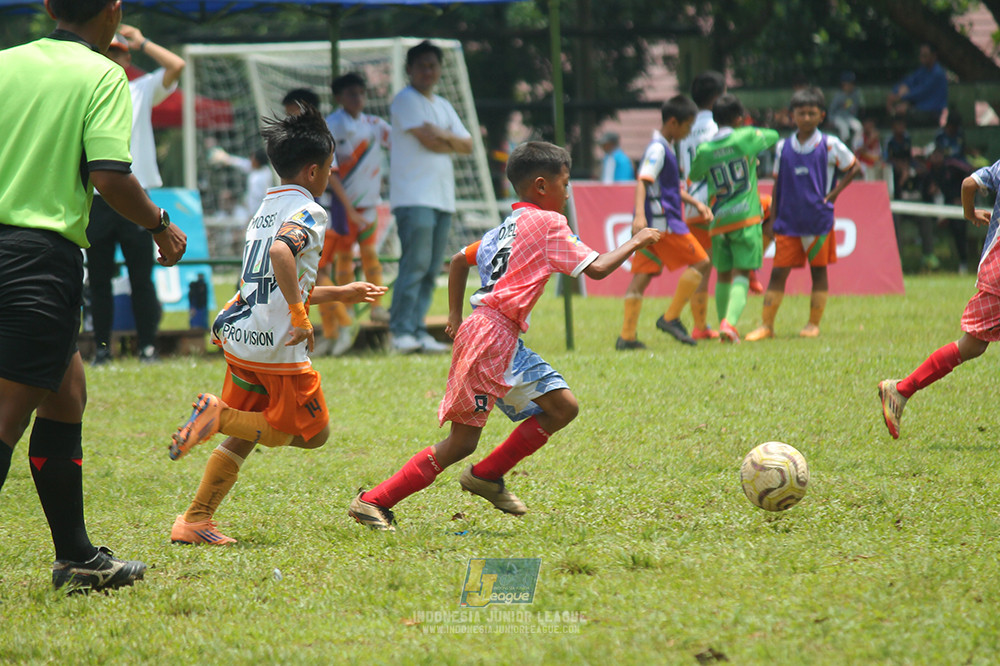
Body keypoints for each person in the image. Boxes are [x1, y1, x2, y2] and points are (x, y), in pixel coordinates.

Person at [347, 141, 661, 530]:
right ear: (542, 186)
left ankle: (483, 476)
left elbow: (459, 259)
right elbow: (596, 269)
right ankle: (377, 500)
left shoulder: (505, 228)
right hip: (494, 336)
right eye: (565, 185)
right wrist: (637, 241)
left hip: (487, 332)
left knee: (552, 410)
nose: (567, 194)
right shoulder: (549, 223)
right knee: (471, 440)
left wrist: (456, 316)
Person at [0, 0, 187, 592]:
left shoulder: (5, 63)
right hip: (36, 260)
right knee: (6, 418)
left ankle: (77, 559)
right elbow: (109, 176)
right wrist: (160, 224)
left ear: (49, 7)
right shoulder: (103, 74)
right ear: (113, 11)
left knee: (66, 393)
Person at [167, 105, 385, 544]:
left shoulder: (265, 208)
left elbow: (271, 283)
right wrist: (301, 317)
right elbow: (282, 253)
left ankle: (194, 520)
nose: (331, 174)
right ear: (312, 171)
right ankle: (218, 415)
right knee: (312, 434)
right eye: (329, 167)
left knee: (248, 430)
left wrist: (339, 293)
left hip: (243, 335)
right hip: (278, 347)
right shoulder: (310, 211)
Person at [87, 26, 185, 366]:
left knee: (142, 277)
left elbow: (176, 65)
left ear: (128, 58)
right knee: (98, 279)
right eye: (108, 51)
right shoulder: (89, 90)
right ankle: (102, 348)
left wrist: (143, 42)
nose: (113, 57)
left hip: (136, 195)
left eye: (119, 52)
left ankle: (147, 347)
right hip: (97, 196)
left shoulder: (140, 88)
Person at [878, 165, 996, 439]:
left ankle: (901, 390)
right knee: (972, 345)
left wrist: (969, 213)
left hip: (994, 266)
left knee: (973, 346)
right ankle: (901, 389)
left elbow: (969, 184)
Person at [745, 87, 860, 341]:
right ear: (792, 115)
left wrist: (834, 194)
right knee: (778, 272)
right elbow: (778, 183)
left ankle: (813, 323)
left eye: (811, 113)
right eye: (801, 113)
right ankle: (766, 325)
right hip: (788, 221)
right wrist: (773, 217)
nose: (806, 118)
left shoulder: (830, 144)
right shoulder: (783, 147)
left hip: (818, 221)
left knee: (818, 272)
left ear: (821, 115)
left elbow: (854, 167)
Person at [388, 40, 473, 354]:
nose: (428, 71)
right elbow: (429, 142)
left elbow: (468, 145)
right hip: (414, 197)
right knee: (415, 264)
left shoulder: (443, 105)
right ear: (409, 69)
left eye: (432, 65)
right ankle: (400, 331)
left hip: (442, 198)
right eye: (421, 65)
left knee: (431, 268)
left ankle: (417, 329)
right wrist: (448, 139)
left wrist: (443, 134)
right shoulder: (404, 100)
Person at [616, 95, 713, 351]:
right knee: (702, 261)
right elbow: (643, 181)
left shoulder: (665, 148)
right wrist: (639, 215)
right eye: (687, 125)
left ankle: (626, 337)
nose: (689, 131)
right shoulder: (658, 149)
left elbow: (667, 187)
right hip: (665, 225)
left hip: (653, 226)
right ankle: (671, 318)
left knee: (642, 275)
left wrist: (695, 202)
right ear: (673, 122)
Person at [689, 94, 779, 342]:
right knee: (742, 273)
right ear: (739, 118)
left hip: (718, 221)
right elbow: (773, 136)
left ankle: (722, 325)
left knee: (723, 275)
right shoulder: (746, 137)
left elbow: (695, 174)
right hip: (746, 218)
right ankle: (729, 323)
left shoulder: (705, 149)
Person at [318, 72, 392, 356]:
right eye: (351, 93)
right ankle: (345, 313)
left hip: (368, 202)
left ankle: (375, 306)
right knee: (341, 260)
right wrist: (348, 207)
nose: (358, 98)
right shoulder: (333, 124)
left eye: (361, 93)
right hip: (340, 206)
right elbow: (335, 170)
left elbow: (397, 140)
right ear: (338, 97)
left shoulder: (374, 124)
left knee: (369, 255)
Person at [678, 70, 727, 336]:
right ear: (719, 96)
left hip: (692, 202)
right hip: (716, 202)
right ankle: (726, 322)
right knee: (727, 264)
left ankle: (700, 325)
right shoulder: (717, 128)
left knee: (702, 265)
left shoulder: (686, 128)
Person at [886, 43, 948, 127]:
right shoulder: (923, 70)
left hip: (933, 112)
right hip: (920, 107)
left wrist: (901, 97)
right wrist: (896, 91)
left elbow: (921, 92)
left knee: (900, 111)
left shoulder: (937, 74)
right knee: (898, 109)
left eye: (925, 55)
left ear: (933, 56)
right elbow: (908, 81)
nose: (922, 58)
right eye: (921, 55)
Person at [828, 70, 863, 149]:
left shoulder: (855, 94)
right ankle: (843, 149)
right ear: (843, 84)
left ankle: (855, 148)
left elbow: (856, 109)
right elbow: (832, 110)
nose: (850, 86)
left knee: (858, 127)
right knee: (844, 130)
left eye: (852, 84)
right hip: (838, 117)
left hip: (849, 117)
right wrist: (830, 120)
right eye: (848, 84)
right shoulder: (838, 95)